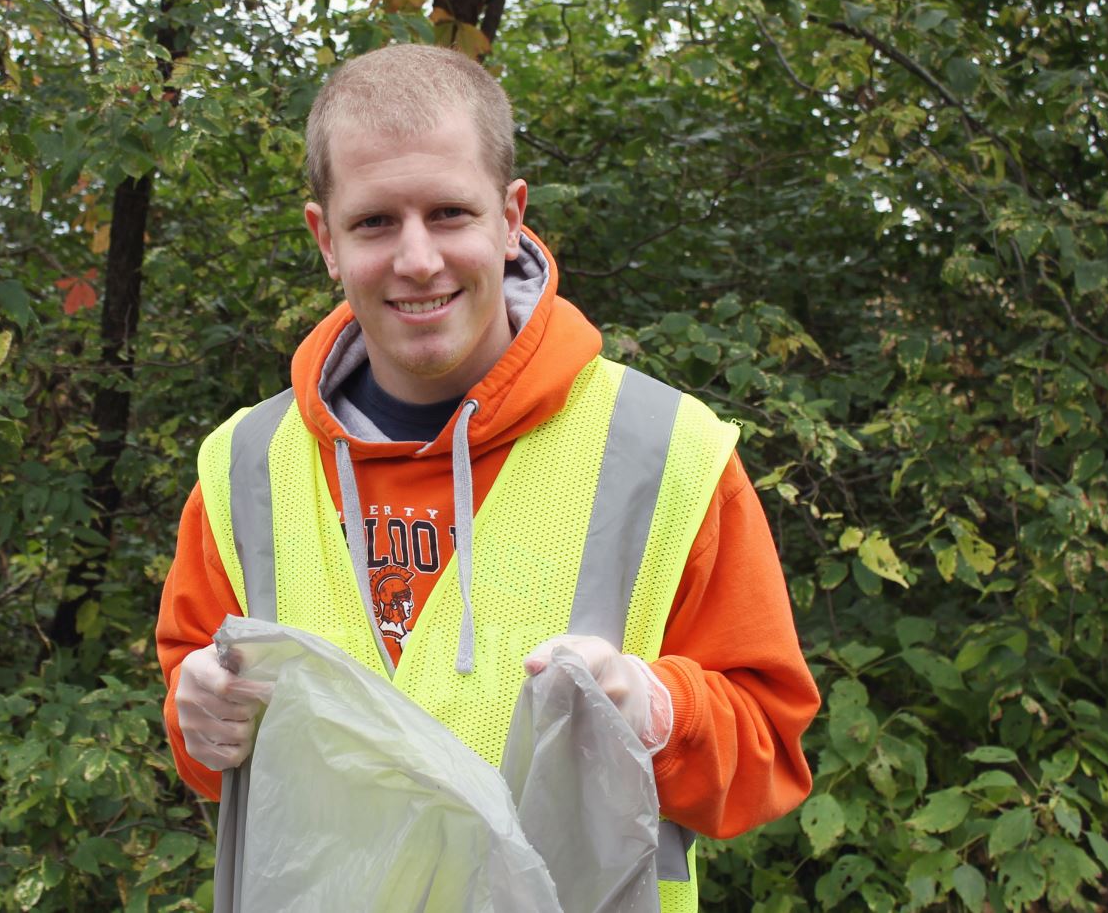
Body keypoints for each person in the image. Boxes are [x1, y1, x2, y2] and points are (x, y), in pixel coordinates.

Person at [156, 44, 820, 908]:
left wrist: (658, 712)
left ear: (511, 218)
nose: (419, 258)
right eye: (375, 223)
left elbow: (767, 756)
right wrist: (198, 716)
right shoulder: (244, 469)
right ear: (325, 238)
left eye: (449, 212)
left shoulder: (665, 454)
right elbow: (207, 741)